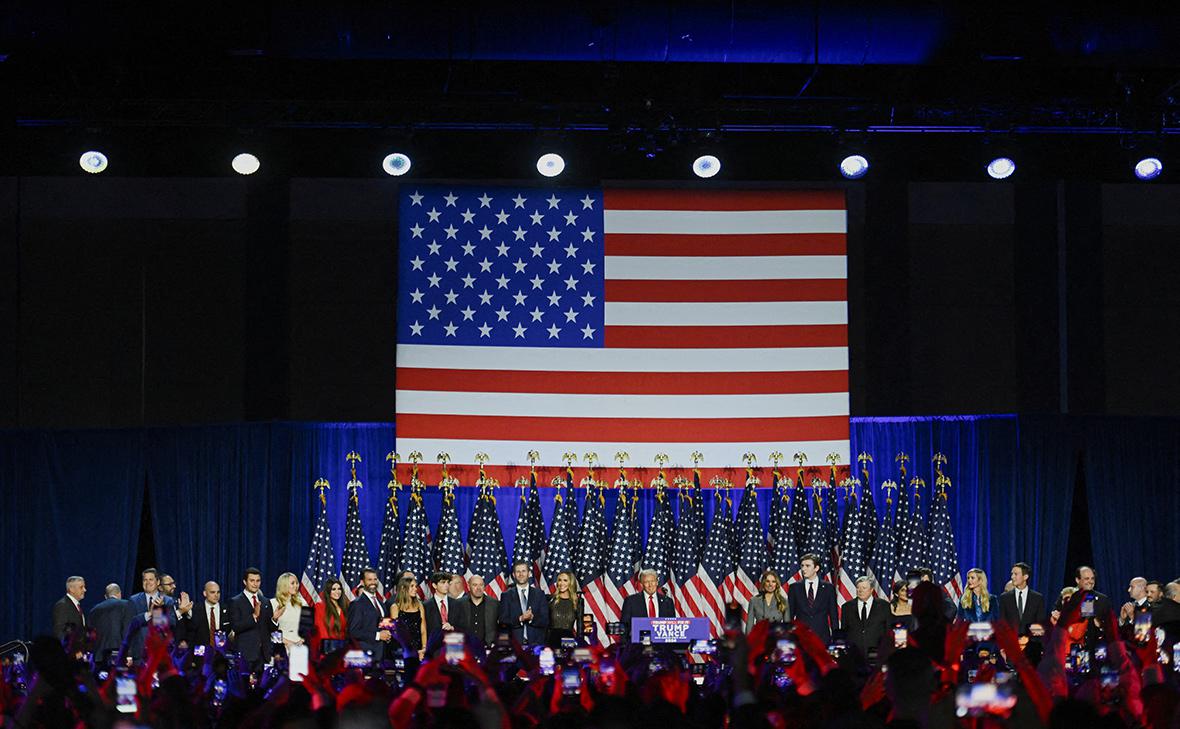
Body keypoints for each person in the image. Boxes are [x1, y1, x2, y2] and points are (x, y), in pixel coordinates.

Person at [228, 567, 277, 669]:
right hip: (246, 654)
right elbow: (235, 627)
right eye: (252, 581)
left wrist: (274, 619)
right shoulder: (235, 601)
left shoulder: (265, 601)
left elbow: (270, 629)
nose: (255, 584)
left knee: (263, 684)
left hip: (264, 655)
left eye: (258, 581)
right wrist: (254, 616)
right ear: (245, 582)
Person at [787, 554, 838, 643]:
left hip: (822, 637)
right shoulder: (794, 587)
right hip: (800, 637)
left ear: (816, 568)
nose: (803, 569)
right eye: (802, 566)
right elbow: (790, 614)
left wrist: (836, 638)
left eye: (807, 566)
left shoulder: (828, 588)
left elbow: (833, 615)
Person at [126, 568, 176, 659]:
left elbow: (172, 624)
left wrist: (159, 611)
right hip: (139, 653)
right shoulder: (133, 600)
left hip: (161, 653)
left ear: (157, 582)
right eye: (145, 580)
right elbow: (129, 625)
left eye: (150, 579)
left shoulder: (168, 601)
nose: (147, 582)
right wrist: (149, 614)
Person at [497, 560, 550, 644]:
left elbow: (545, 620)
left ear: (529, 574)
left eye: (523, 571)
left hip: (536, 644)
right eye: (518, 572)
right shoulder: (506, 595)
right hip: (514, 644)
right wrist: (520, 618)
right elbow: (503, 620)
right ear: (514, 575)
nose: (521, 574)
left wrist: (532, 618)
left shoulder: (539, 594)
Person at [346, 567, 391, 662]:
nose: (373, 582)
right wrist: (378, 635)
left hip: (381, 654)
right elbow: (353, 632)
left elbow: (382, 624)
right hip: (365, 655)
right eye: (369, 579)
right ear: (362, 582)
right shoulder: (357, 604)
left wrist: (387, 634)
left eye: (375, 579)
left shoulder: (381, 603)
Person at [841, 576, 890, 663]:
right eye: (858, 588)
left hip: (876, 653)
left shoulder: (884, 606)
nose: (860, 590)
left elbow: (888, 630)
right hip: (854, 655)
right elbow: (844, 631)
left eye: (864, 588)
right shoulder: (846, 607)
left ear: (871, 590)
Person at [620, 568, 675, 637]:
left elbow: (672, 626)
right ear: (641, 584)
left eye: (653, 581)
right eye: (646, 582)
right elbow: (624, 627)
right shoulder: (631, 601)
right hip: (638, 645)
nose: (650, 585)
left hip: (662, 644)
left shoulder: (667, 601)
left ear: (657, 582)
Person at [387, 574, 427, 662]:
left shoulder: (419, 605)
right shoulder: (395, 607)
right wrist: (410, 652)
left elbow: (423, 629)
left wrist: (424, 648)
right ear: (403, 588)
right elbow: (397, 633)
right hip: (402, 650)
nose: (415, 589)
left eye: (416, 586)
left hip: (419, 649)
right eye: (412, 586)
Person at [999, 561, 1046, 634]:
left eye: (1016, 574)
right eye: (1012, 574)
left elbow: (1040, 624)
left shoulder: (1037, 598)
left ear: (1025, 577)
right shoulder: (1004, 598)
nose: (1012, 577)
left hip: (1031, 643)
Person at [423, 571, 469, 641]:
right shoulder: (426, 606)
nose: (447, 585)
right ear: (434, 585)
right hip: (434, 647)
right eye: (443, 582)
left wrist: (452, 628)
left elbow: (464, 627)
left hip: (454, 645)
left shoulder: (457, 604)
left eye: (448, 582)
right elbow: (424, 630)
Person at [87, 583, 129, 661]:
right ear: (119, 593)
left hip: (98, 655)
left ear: (106, 596)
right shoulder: (127, 605)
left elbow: (90, 635)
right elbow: (127, 630)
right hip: (119, 655)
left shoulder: (94, 610)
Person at [459, 574, 499, 647]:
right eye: (475, 585)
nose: (478, 588)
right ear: (468, 587)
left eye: (481, 585)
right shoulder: (459, 604)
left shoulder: (495, 604)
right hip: (465, 648)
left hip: (487, 648)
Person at [312, 579, 348, 658]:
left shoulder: (344, 607)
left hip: (343, 651)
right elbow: (321, 631)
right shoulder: (320, 607)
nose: (337, 592)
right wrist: (327, 650)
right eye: (333, 589)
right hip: (327, 650)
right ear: (328, 591)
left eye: (339, 589)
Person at [270, 572, 306, 648]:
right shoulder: (273, 603)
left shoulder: (302, 603)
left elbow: (308, 626)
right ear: (284, 585)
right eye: (292, 583)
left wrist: (302, 641)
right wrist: (289, 643)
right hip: (281, 647)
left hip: (300, 646)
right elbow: (270, 630)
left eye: (297, 583)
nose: (296, 586)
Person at [188, 581, 230, 647]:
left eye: (218, 592)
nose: (216, 595)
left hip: (221, 652)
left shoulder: (227, 609)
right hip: (200, 651)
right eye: (212, 592)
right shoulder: (195, 610)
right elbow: (190, 631)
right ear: (205, 593)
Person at [547, 570, 582, 645]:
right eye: (559, 580)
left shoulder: (577, 602)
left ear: (571, 583)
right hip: (551, 641)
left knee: (567, 656)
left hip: (569, 641)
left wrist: (580, 645)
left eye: (565, 580)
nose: (561, 583)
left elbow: (580, 629)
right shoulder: (550, 599)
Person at [52, 576, 87, 640]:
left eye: (84, 587)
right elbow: (60, 633)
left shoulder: (76, 606)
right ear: (71, 589)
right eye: (81, 587)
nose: (85, 590)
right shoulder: (62, 605)